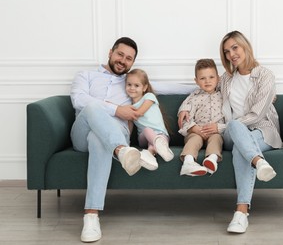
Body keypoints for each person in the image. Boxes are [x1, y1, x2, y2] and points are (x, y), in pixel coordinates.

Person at [70, 37, 196, 243]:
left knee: (98, 139)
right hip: (82, 132)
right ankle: (121, 151)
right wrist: (116, 109)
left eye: (129, 58)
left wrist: (206, 86)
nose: (123, 60)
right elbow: (79, 100)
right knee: (93, 108)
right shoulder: (86, 75)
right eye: (120, 54)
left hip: (112, 134)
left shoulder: (131, 83)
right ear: (110, 52)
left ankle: (91, 216)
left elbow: (168, 87)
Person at [178, 31, 283, 234]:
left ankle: (241, 213)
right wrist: (184, 107)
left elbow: (257, 114)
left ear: (245, 46)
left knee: (238, 145)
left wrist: (221, 127)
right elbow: (201, 88)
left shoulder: (265, 75)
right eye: (226, 51)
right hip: (231, 132)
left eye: (235, 48)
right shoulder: (226, 78)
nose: (231, 54)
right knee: (235, 126)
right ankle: (259, 162)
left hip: (262, 130)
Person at [178, 59, 225, 176]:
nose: (207, 81)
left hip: (215, 132)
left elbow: (230, 120)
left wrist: (219, 128)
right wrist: (194, 128)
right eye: (202, 78)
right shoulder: (193, 98)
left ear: (218, 78)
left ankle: (211, 159)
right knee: (194, 140)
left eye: (211, 77)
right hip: (196, 131)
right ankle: (188, 163)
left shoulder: (224, 96)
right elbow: (185, 119)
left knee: (217, 139)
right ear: (196, 81)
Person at [125, 68, 174, 171]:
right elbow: (129, 126)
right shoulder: (129, 106)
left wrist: (126, 112)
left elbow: (140, 112)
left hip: (161, 135)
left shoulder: (149, 96)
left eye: (136, 85)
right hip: (143, 138)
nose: (132, 88)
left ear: (144, 87)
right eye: (129, 85)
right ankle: (160, 147)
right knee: (147, 130)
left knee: (152, 145)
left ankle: (150, 156)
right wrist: (126, 142)